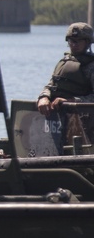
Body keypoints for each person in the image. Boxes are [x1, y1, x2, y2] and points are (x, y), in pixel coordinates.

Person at [36, 22, 94, 152]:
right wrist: (44, 97)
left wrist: (73, 101)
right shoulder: (64, 63)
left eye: (79, 41)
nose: (74, 44)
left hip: (85, 125)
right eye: (71, 41)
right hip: (59, 124)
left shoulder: (91, 66)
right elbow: (51, 85)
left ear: (87, 42)